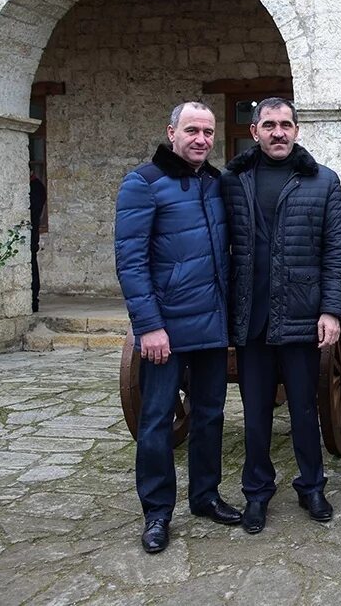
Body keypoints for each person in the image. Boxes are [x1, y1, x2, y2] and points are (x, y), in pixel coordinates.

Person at [114, 101, 241, 554]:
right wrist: (148, 326)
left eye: (208, 132)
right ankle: (157, 513)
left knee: (209, 416)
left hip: (212, 327)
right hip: (165, 332)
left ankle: (205, 496)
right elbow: (131, 262)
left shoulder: (215, 183)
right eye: (192, 130)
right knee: (156, 423)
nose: (201, 139)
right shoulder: (143, 184)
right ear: (172, 132)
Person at [221, 97, 341, 533]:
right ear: (254, 130)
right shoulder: (233, 181)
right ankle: (257, 492)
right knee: (255, 414)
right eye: (270, 124)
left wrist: (332, 310)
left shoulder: (323, 182)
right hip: (252, 320)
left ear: (296, 130)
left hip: (301, 316)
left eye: (287, 125)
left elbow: (336, 253)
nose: (279, 132)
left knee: (304, 409)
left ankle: (311, 485)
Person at [29, 170, 47, 312]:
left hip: (31, 232)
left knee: (31, 264)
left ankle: (33, 300)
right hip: (30, 232)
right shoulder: (35, 187)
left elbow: (33, 212)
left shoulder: (36, 187)